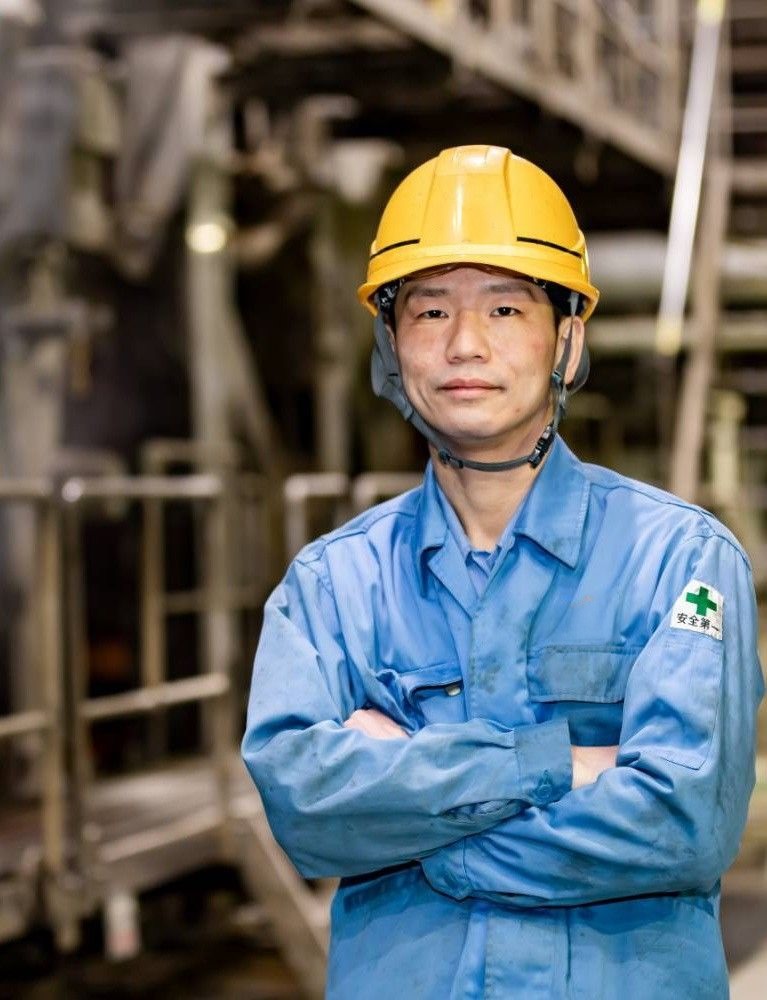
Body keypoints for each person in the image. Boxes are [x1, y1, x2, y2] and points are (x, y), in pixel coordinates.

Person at [242, 145, 764, 999]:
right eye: (429, 310)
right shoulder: (332, 586)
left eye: (506, 308)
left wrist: (417, 822)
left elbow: (682, 826)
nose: (464, 344)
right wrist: (554, 762)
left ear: (567, 337)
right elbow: (304, 813)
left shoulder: (679, 560)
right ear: (390, 343)